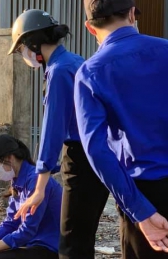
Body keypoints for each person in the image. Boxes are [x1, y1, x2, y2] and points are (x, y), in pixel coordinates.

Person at [8, 9, 110, 258]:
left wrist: (39, 187)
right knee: (83, 237)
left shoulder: (59, 71)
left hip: (81, 158)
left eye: (21, 47)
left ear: (33, 43)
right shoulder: (74, 61)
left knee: (71, 244)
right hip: (98, 155)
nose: (24, 54)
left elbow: (52, 131)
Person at [73, 0, 168, 258]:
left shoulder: (90, 72)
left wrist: (141, 212)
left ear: (90, 28)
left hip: (143, 193)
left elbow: (97, 150)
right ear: (131, 14)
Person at [0, 133, 62, 259]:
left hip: (50, 248)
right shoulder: (17, 182)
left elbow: (27, 231)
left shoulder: (35, 181)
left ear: (9, 158)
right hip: (33, 244)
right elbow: (11, 222)